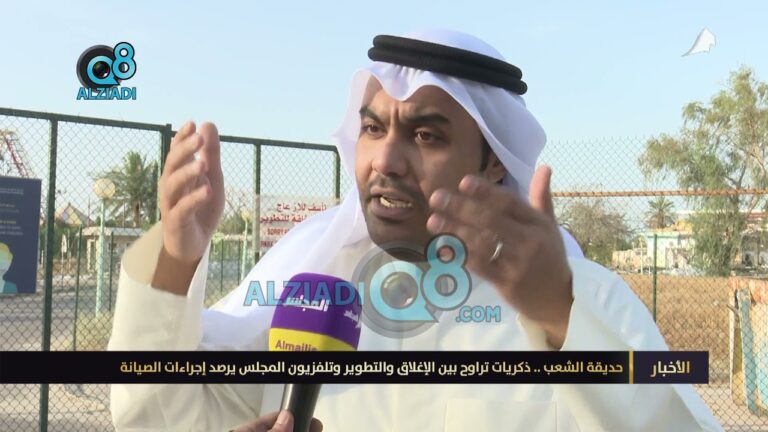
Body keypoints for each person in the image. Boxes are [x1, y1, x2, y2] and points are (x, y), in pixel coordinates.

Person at [108, 29, 724, 431]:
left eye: (426, 135)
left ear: (493, 162)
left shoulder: (577, 303)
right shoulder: (310, 299)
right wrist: (174, 259)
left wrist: (562, 317)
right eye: (373, 129)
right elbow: (157, 416)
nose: (385, 160)